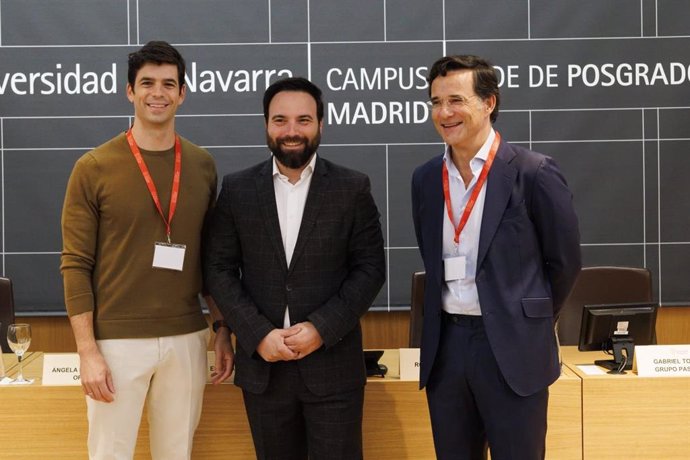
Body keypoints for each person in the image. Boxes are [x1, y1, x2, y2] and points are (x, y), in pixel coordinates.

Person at [60, 40, 234, 460]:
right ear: (130, 91)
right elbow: (75, 264)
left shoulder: (202, 165)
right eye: (147, 83)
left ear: (182, 93)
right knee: (110, 454)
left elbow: (213, 260)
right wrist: (87, 351)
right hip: (116, 343)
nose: (158, 93)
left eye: (168, 84)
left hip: (187, 338)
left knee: (177, 453)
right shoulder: (93, 167)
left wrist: (221, 328)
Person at [204, 77, 385, 460]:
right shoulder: (238, 190)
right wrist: (256, 334)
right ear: (266, 125)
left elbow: (370, 269)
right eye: (280, 120)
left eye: (303, 120)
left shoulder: (352, 189)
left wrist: (321, 328)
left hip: (333, 368)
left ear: (321, 123)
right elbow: (218, 268)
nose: (291, 131)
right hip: (264, 370)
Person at [411, 55, 581, 460]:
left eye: (456, 100)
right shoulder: (425, 179)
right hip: (447, 349)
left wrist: (524, 317)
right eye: (436, 102)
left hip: (513, 349)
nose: (444, 113)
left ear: (488, 103)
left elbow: (565, 263)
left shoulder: (533, 172)